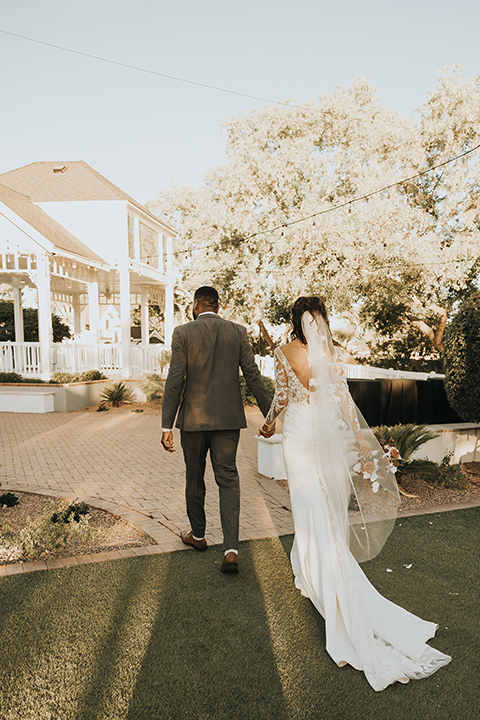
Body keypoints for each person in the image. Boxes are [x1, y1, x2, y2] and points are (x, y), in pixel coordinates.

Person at [258, 296, 451, 691]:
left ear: (295, 321)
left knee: (308, 508)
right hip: (323, 434)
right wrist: (363, 442)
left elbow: (280, 397)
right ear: (321, 322)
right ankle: (310, 571)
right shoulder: (330, 355)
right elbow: (344, 401)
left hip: (297, 435)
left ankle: (318, 576)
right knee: (325, 508)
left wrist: (268, 423)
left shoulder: (283, 351)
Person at [161, 286, 274, 574]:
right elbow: (253, 375)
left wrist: (166, 424)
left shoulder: (183, 333)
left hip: (193, 422)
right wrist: (270, 416)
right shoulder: (237, 332)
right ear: (218, 306)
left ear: (197, 303)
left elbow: (175, 380)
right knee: (228, 479)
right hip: (227, 421)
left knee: (194, 477)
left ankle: (198, 536)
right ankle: (231, 549)